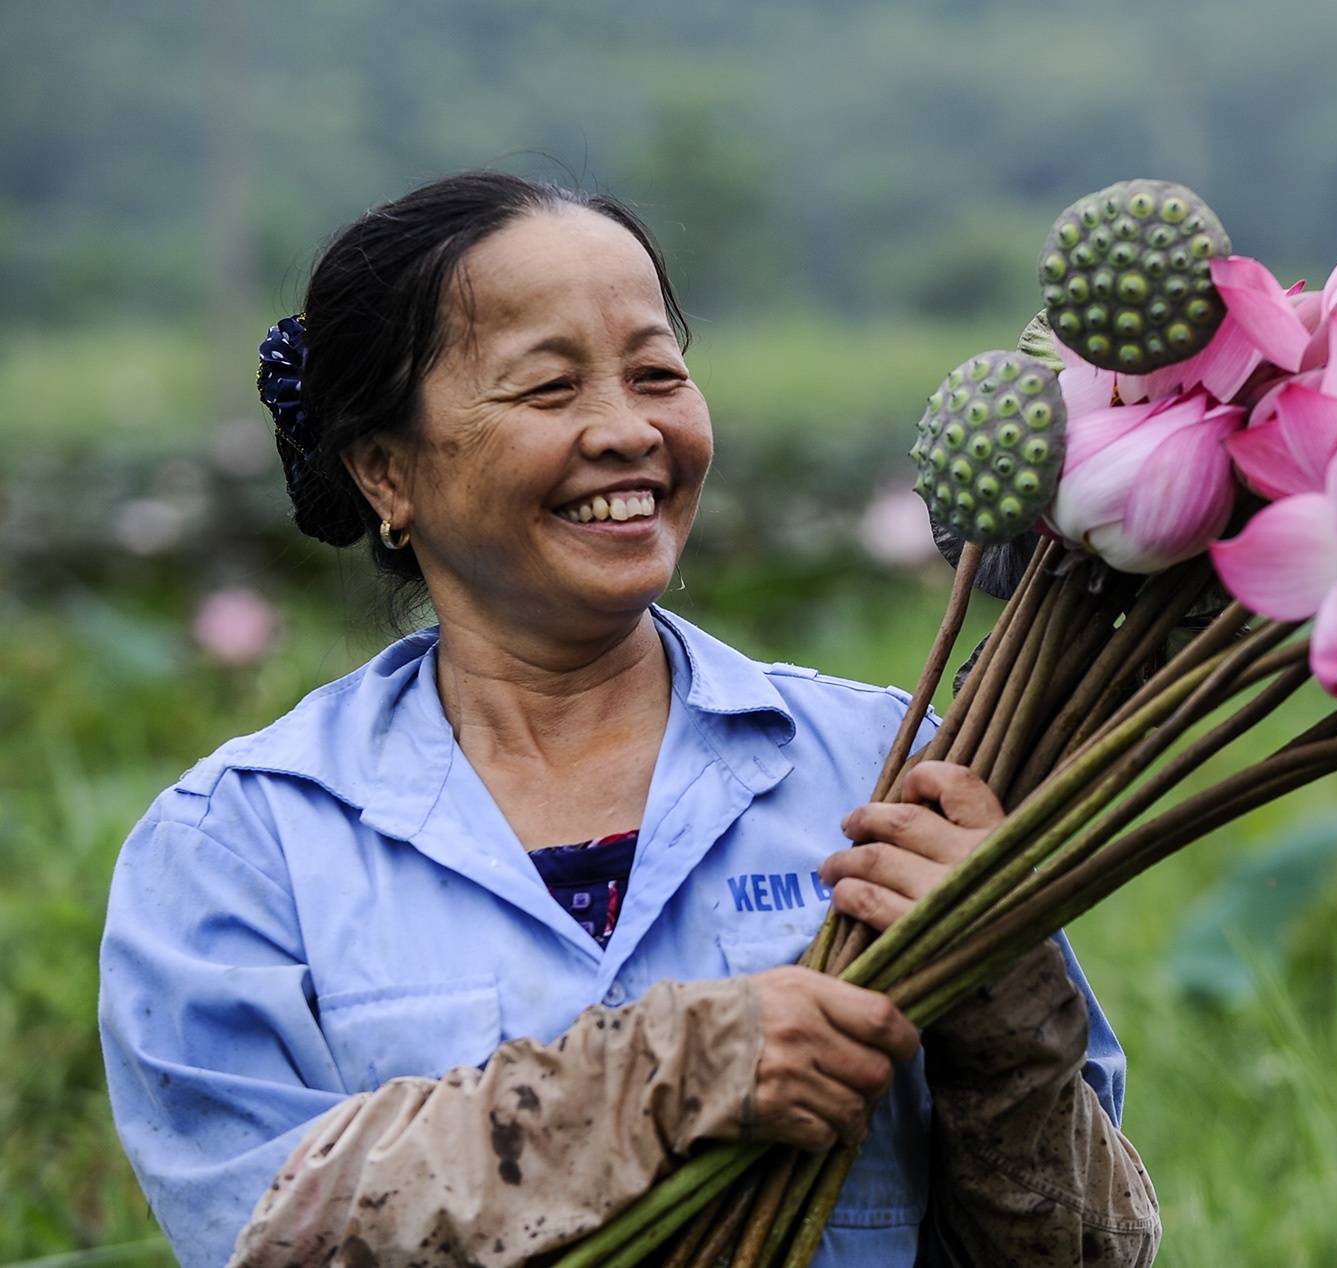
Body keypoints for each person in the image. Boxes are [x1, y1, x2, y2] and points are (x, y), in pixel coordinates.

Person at [97, 171, 1159, 1268]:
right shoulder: (243, 842)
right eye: (550, 388)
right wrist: (665, 1077)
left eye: (657, 373)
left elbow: (1087, 1253)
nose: (626, 429)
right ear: (384, 471)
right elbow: (262, 1232)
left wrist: (1007, 1008)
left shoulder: (898, 769)